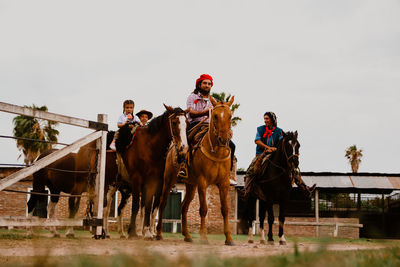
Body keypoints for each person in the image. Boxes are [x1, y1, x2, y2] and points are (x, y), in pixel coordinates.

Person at [179, 74, 237, 185]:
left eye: (209, 84)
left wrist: (227, 129)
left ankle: (227, 174)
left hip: (210, 126)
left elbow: (220, 117)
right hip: (195, 124)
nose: (207, 85)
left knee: (232, 145)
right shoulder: (192, 97)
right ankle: (183, 168)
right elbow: (190, 112)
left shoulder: (213, 100)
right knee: (187, 141)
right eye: (205, 83)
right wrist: (205, 112)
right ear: (199, 84)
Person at [244, 112, 316, 196]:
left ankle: (305, 187)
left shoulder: (279, 131)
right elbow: (257, 141)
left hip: (275, 154)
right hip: (262, 153)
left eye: (267, 118)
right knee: (251, 169)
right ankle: (246, 191)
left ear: (272, 120)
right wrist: (268, 148)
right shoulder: (260, 129)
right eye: (264, 118)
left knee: (291, 167)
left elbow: (282, 142)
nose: (265, 120)